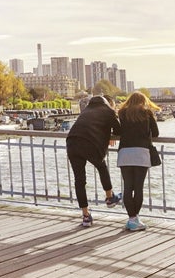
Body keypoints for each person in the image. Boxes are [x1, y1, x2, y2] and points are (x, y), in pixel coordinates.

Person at [66, 94, 122, 227]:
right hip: (89, 143)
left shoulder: (87, 110)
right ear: (110, 104)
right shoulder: (109, 111)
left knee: (79, 181)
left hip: (72, 142)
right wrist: (111, 134)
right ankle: (110, 197)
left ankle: (86, 216)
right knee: (101, 167)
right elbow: (119, 130)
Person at [117, 91, 160, 231]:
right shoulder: (147, 113)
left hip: (125, 153)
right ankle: (135, 219)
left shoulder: (122, 113)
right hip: (141, 153)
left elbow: (118, 131)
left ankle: (132, 219)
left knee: (128, 187)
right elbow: (156, 133)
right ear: (143, 101)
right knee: (139, 188)